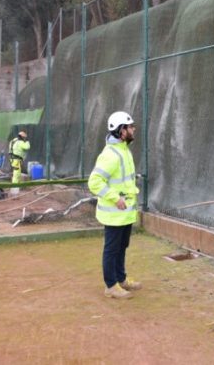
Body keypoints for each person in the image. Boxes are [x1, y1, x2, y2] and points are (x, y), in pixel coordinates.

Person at [88, 111, 142, 299]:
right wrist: (115, 198)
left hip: (125, 213)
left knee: (121, 247)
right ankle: (110, 285)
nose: (133, 129)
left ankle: (121, 279)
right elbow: (94, 182)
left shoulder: (124, 150)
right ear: (121, 131)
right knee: (111, 249)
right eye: (130, 126)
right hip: (114, 214)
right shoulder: (111, 155)